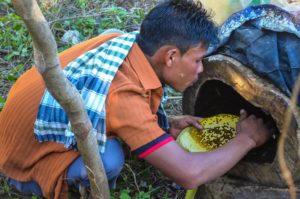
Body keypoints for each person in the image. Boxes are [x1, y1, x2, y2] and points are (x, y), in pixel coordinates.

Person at [0, 0, 271, 198]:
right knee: (110, 159)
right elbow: (190, 174)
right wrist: (246, 139)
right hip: (18, 163)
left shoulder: (123, 42)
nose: (201, 70)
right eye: (198, 60)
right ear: (171, 56)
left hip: (16, 123)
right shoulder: (124, 96)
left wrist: (164, 125)